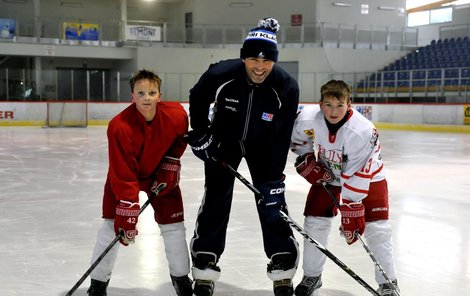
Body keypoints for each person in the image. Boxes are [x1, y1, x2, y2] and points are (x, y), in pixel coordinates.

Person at [184, 17, 300, 296]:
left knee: (271, 200)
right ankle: (205, 261)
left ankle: (282, 263)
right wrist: (201, 134)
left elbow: (283, 133)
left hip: (265, 144)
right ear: (244, 57)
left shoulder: (287, 86)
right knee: (216, 197)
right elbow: (197, 96)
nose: (259, 67)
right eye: (253, 59)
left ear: (274, 61)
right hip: (224, 141)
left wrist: (274, 177)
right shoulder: (220, 74)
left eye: (266, 61)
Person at [87, 69, 193, 296]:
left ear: (159, 95)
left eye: (151, 92)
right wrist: (127, 206)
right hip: (125, 176)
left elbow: (179, 141)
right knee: (110, 227)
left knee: (174, 227)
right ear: (131, 96)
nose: (146, 97)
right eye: (141, 92)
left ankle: (182, 281)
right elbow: (122, 170)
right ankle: (97, 284)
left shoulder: (177, 115)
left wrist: (171, 163)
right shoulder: (119, 126)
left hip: (161, 175)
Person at [290, 80, 399, 296]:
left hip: (369, 177)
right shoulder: (307, 119)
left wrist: (351, 208)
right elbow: (299, 142)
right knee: (314, 222)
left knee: (377, 230)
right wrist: (307, 158)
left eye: (340, 105)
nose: (333, 111)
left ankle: (388, 282)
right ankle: (312, 275)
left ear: (350, 104)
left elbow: (358, 173)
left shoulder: (362, 131)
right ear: (320, 104)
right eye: (328, 105)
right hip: (329, 174)